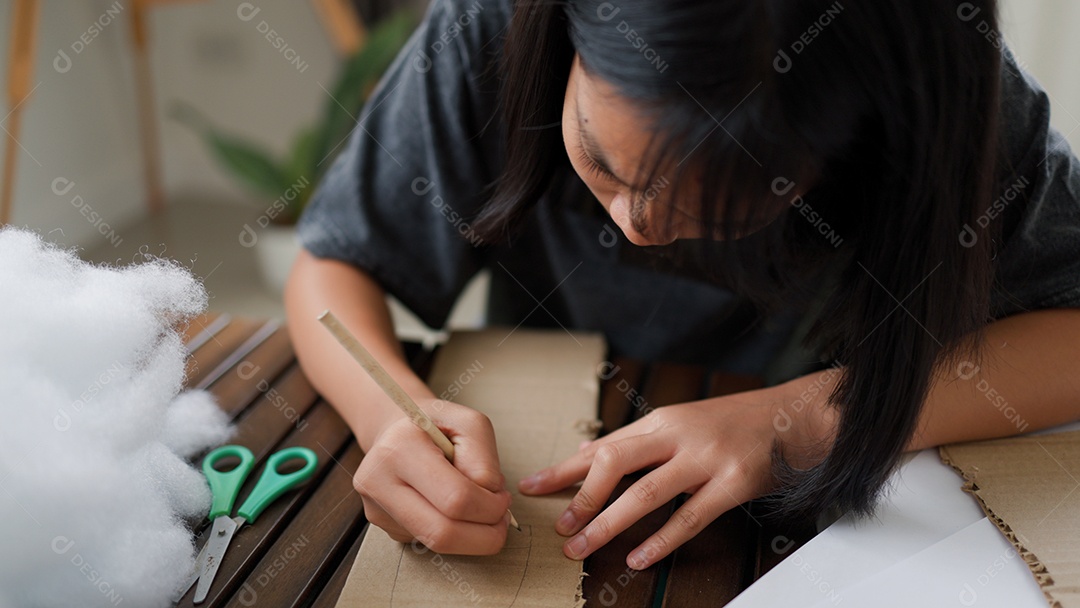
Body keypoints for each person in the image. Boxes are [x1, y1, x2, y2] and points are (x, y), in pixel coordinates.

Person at [285, 0, 1080, 570]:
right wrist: (391, 413)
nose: (636, 226)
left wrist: (788, 427)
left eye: (719, 207)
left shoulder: (941, 90)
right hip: (554, 410)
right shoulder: (486, 27)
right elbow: (330, 266)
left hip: (824, 539)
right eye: (600, 157)